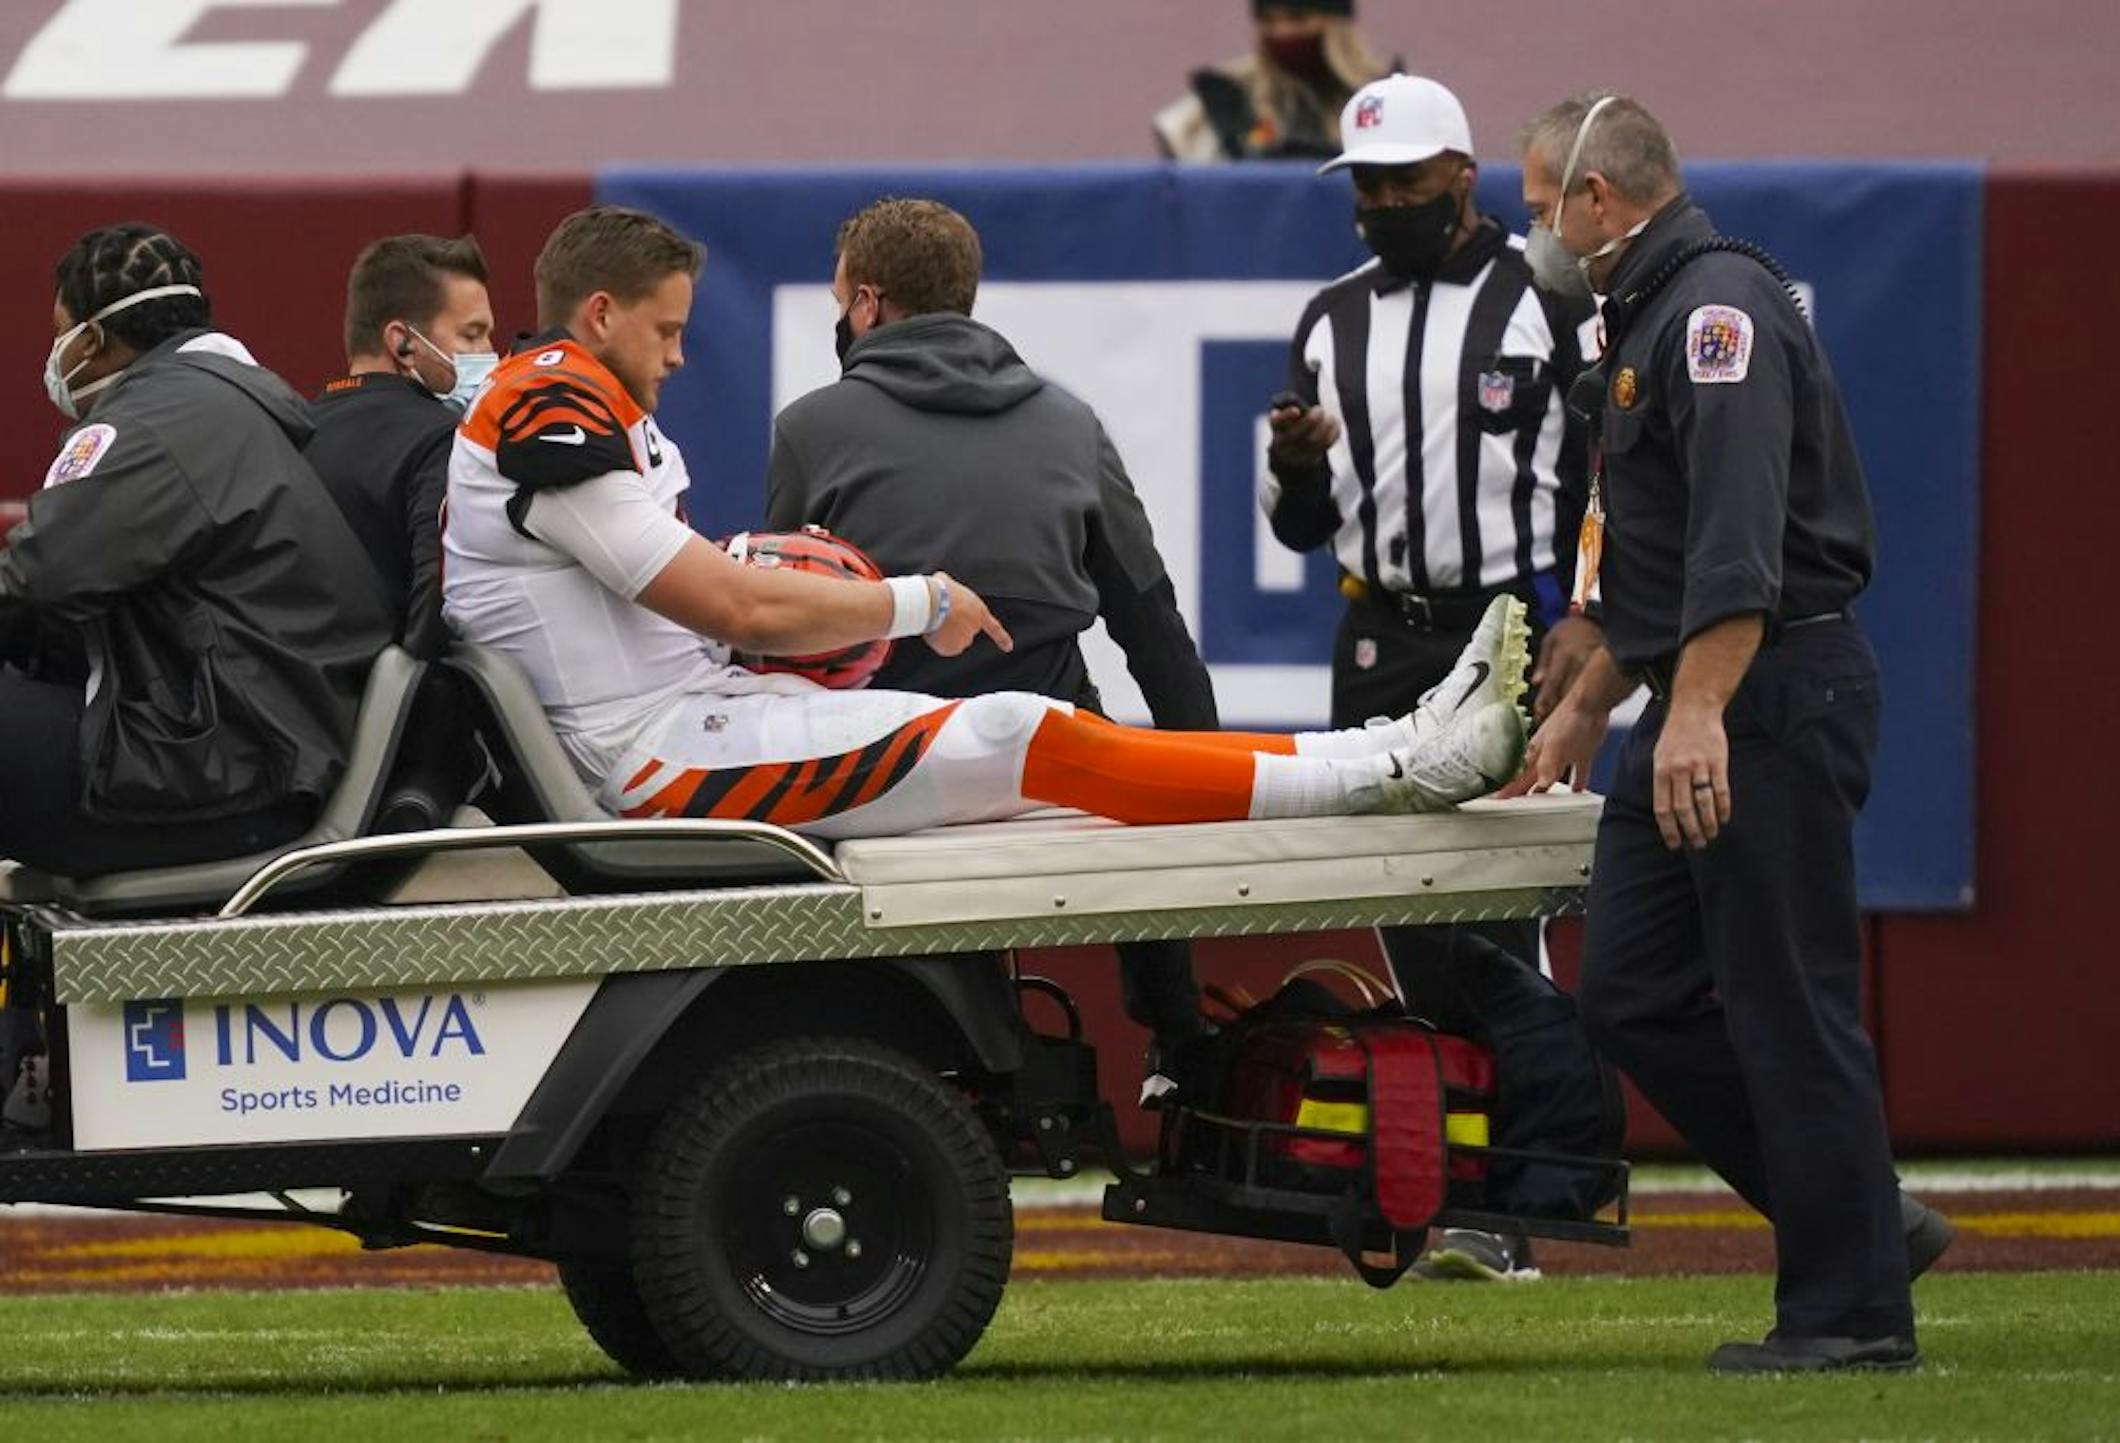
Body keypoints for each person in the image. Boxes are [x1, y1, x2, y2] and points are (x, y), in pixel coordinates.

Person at [442, 206, 1529, 848]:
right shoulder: (547, 399)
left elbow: (716, 603)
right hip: (650, 756)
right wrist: (915, 600)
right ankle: (1381, 769)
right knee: (1023, 734)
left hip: (694, 716)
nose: (679, 357)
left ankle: (1389, 749)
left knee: (1035, 741)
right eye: (666, 330)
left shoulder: (575, 399)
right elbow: (734, 606)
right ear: (599, 316)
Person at [1508, 92, 1952, 1372]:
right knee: (1634, 994)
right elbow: (1653, 547)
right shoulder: (1646, 312)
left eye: (1543, 212)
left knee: (1788, 1007)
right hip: (1697, 695)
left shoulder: (1715, 317)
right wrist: (1594, 704)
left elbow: (1740, 542)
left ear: (1602, 199)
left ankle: (1853, 1313)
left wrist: (1694, 709)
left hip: (1765, 695)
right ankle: (1862, 1223)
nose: (1534, 236)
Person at [1265, 74, 1610, 1281]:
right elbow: (1302, 532)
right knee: (1403, 914)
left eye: (1407, 181)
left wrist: (1583, 620)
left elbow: (1609, 471)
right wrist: (1295, 467)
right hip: (1379, 632)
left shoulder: (1545, 297)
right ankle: (1444, 1184)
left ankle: (1529, 1201)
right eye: (1366, 185)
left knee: (1502, 920)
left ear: (1464, 175)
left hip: (1514, 624)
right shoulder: (1329, 318)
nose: (1384, 204)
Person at [768, 196, 1219, 1068]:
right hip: (1051, 741)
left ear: (866, 303)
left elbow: (786, 624)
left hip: (884, 754)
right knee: (1112, 736)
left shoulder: (809, 430)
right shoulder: (1072, 423)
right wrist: (1200, 778)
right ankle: (1182, 1047)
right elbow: (1150, 622)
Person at [0, 224, 394, 876]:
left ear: (92, 340)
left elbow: (37, 581)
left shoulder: (160, 419)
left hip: (230, 768)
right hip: (257, 738)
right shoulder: (232, 400)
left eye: (60, 334)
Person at [307, 234, 499, 659]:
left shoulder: (292, 431)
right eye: (472, 334)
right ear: (403, 343)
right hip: (394, 711)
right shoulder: (445, 442)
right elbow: (442, 600)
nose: (490, 353)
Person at [1154, 2, 1391, 163]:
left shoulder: (1385, 102)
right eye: (1268, 20)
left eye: (1298, 18)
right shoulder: (1220, 107)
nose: (1281, 32)